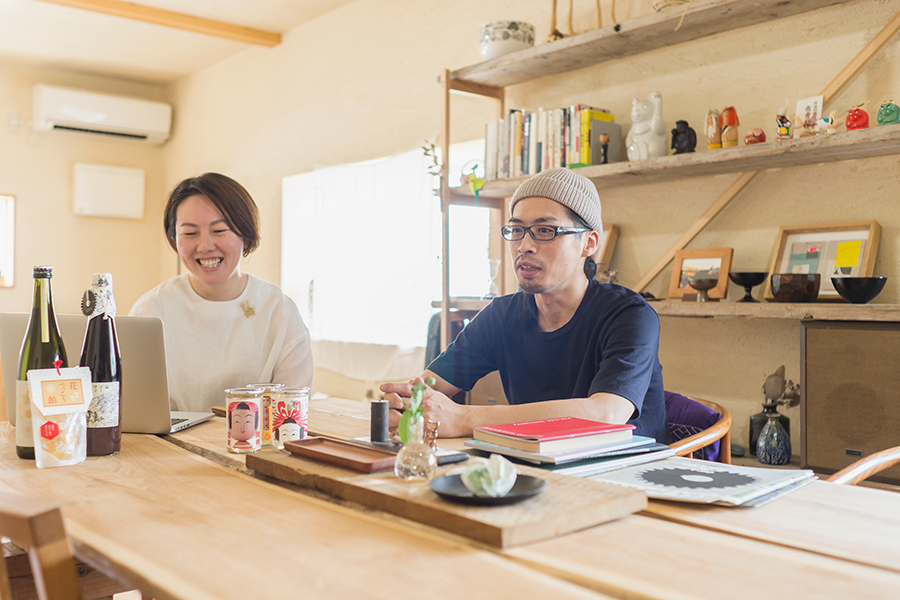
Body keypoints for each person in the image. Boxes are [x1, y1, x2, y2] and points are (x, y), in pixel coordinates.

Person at [381, 168, 666, 441]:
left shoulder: (630, 316)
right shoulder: (501, 316)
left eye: (544, 231)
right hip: (535, 468)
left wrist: (464, 417)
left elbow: (606, 414)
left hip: (625, 474)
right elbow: (428, 386)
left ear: (589, 243)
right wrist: (404, 403)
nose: (524, 246)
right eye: (516, 230)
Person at [130, 173, 313, 412]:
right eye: (190, 233)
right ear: (175, 240)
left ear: (245, 236)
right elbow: (131, 405)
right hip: (169, 447)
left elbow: (292, 411)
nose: (205, 246)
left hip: (255, 447)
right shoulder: (151, 310)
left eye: (219, 230)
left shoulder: (278, 310)